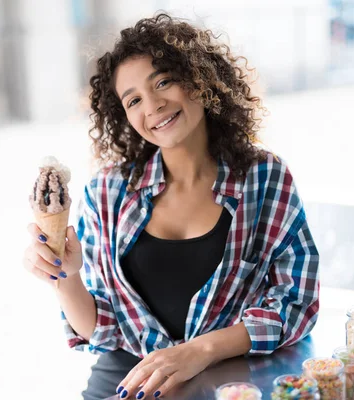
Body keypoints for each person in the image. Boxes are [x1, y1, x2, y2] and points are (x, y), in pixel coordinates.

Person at [22, 13, 320, 400]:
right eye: (133, 100)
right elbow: (101, 330)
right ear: (125, 116)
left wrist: (200, 350)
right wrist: (65, 276)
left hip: (226, 378)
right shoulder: (106, 192)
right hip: (125, 381)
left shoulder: (263, 178)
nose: (154, 105)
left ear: (198, 78)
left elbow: (297, 303)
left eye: (163, 81)